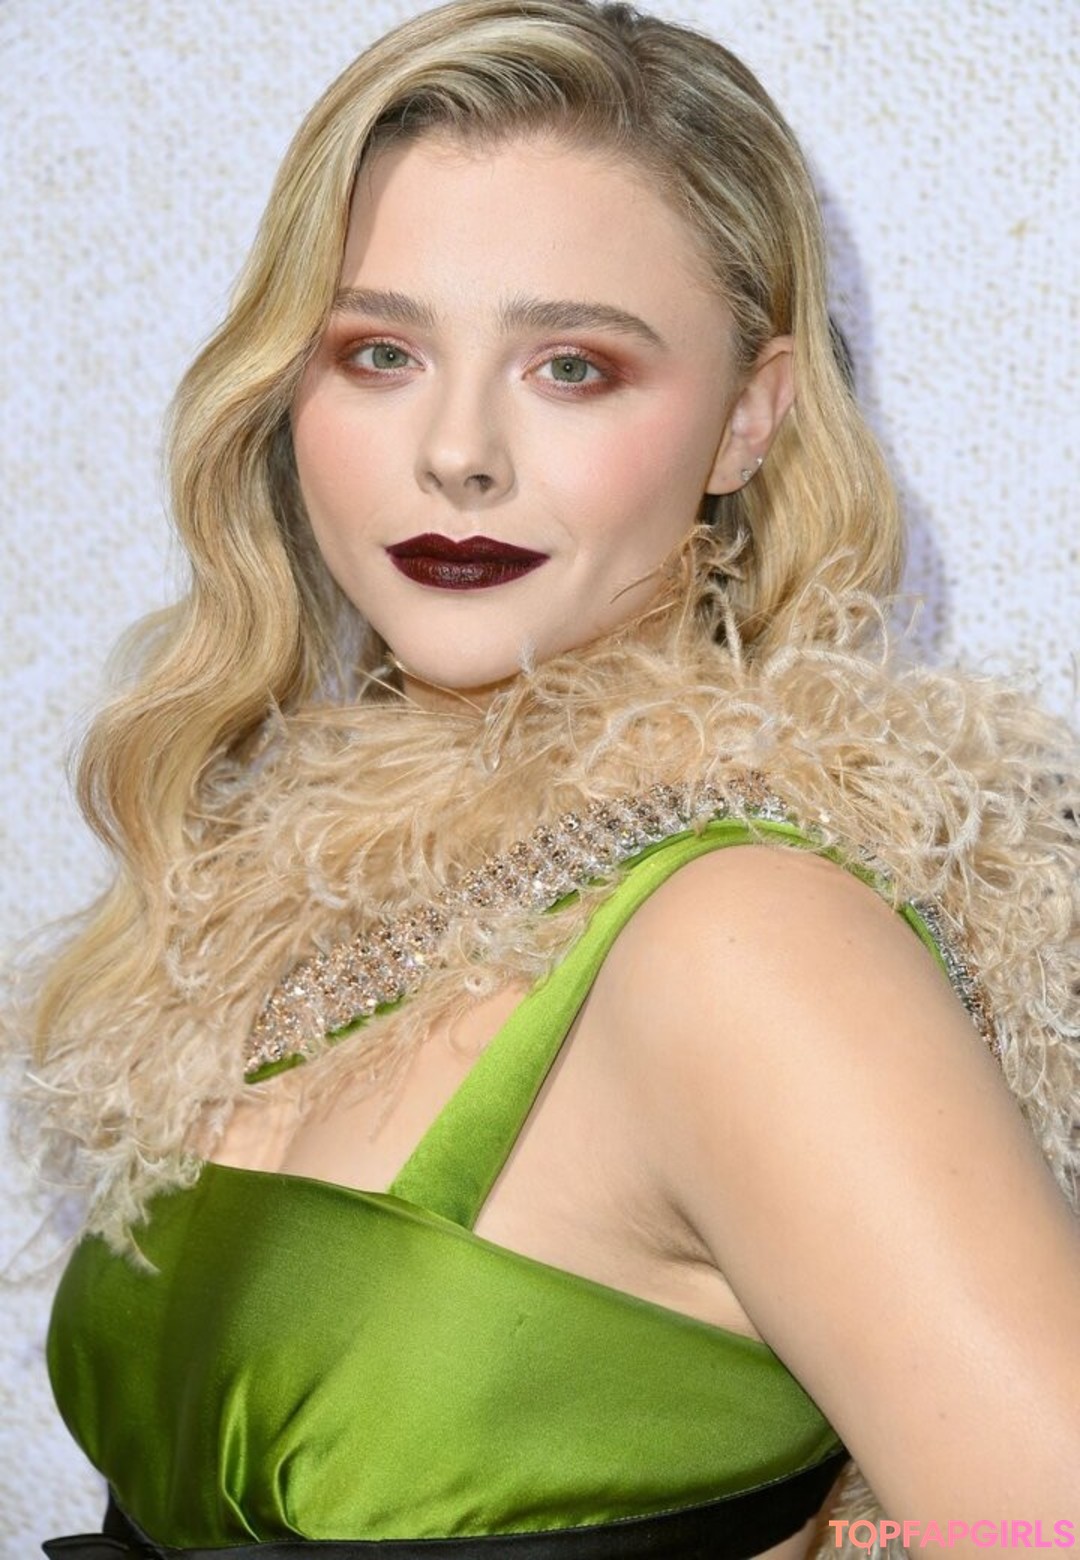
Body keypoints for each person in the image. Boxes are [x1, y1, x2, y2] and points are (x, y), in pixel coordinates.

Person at [15, 0, 1079, 1554]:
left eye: (572, 366)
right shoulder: (286, 900)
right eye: (380, 352)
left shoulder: (748, 942)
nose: (458, 451)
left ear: (749, 418)